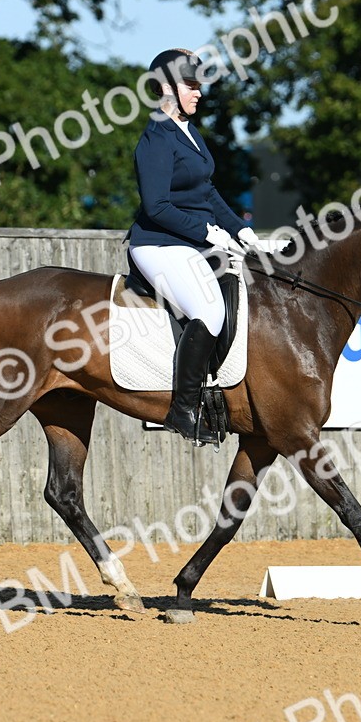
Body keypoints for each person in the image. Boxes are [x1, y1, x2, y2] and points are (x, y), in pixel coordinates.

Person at [128, 48, 262, 445]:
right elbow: (157, 206)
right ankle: (183, 409)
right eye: (191, 84)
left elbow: (208, 192)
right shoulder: (155, 137)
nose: (199, 92)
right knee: (208, 309)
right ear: (167, 87)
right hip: (159, 244)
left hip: (190, 241)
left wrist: (239, 229)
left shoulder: (190, 132)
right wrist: (208, 233)